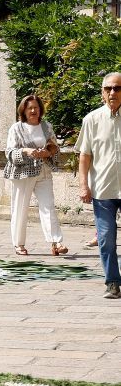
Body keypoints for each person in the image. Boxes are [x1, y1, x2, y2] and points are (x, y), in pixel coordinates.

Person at [6, 93, 65, 257]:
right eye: (29, 108)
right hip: (23, 173)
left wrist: (47, 151)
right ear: (23, 110)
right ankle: (19, 244)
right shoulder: (16, 128)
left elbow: (54, 146)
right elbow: (9, 152)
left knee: (49, 207)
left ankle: (56, 242)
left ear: (40, 109)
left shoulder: (46, 126)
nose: (33, 110)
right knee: (20, 209)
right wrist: (26, 150)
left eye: (36, 107)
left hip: (43, 171)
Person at [79, 72, 121, 297]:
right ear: (102, 93)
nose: (112, 92)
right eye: (108, 88)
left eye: (117, 88)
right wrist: (83, 185)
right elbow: (84, 156)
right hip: (103, 190)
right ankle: (112, 283)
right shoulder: (92, 119)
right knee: (105, 240)